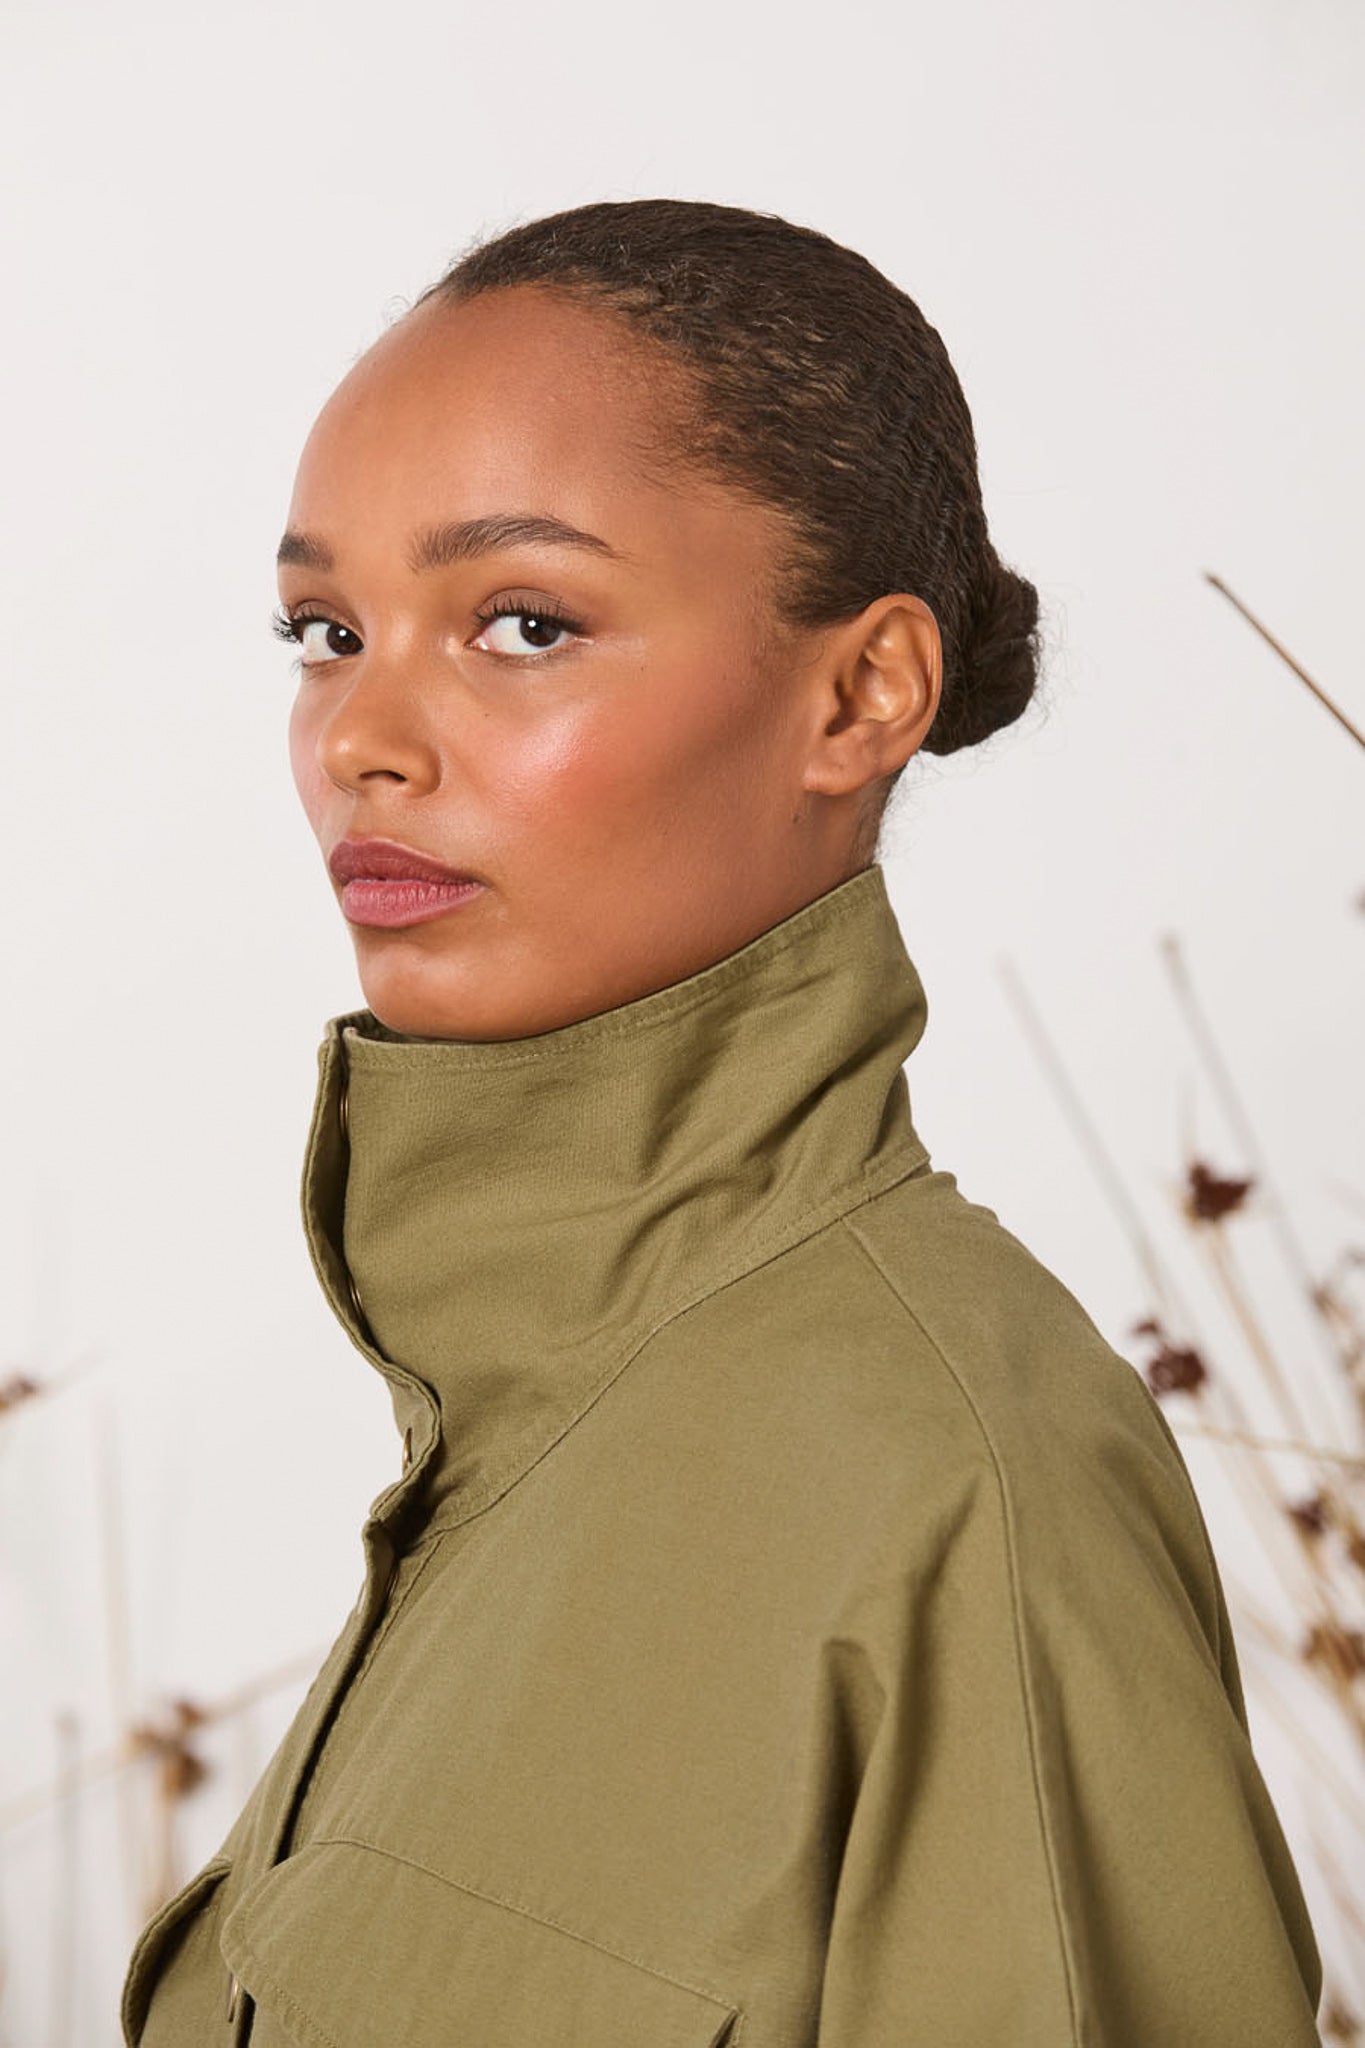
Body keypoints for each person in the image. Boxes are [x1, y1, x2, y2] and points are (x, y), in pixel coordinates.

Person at [120, 197, 1323, 2047]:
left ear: (861, 695)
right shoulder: (515, 1428)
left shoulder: (960, 1483)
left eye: (522, 623)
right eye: (325, 630)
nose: (360, 737)